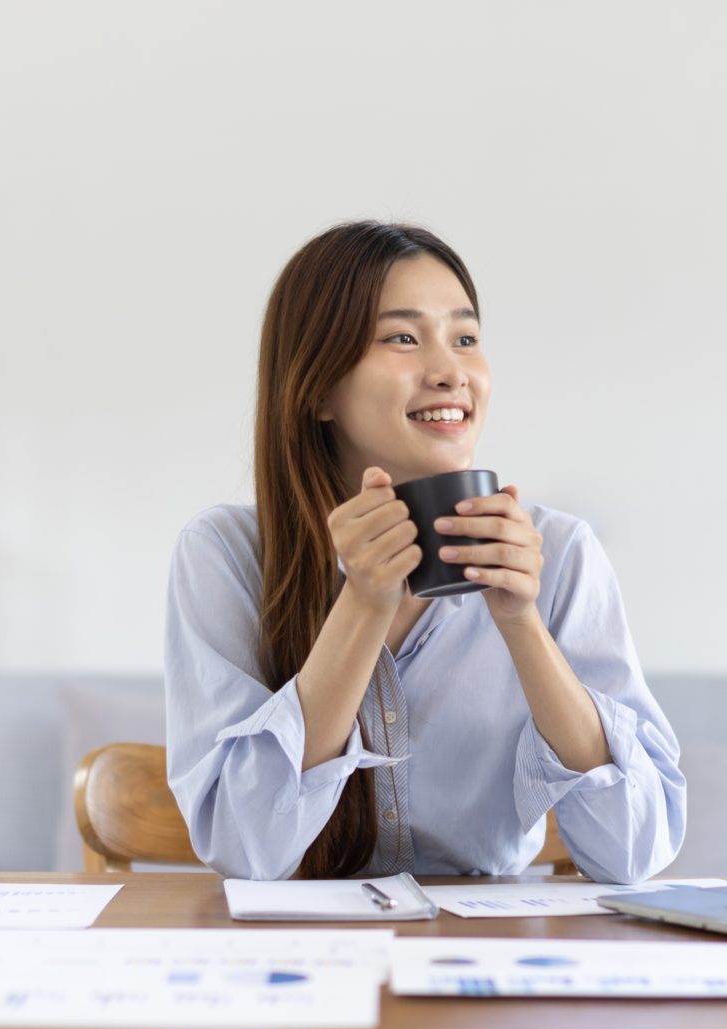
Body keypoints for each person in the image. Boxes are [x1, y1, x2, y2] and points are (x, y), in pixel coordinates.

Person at [164, 220, 684, 883]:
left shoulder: (561, 554)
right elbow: (244, 845)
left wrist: (522, 623)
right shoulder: (225, 555)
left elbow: (634, 852)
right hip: (300, 958)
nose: (451, 372)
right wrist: (363, 602)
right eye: (403, 339)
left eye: (466, 339)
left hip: (484, 953)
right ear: (318, 387)